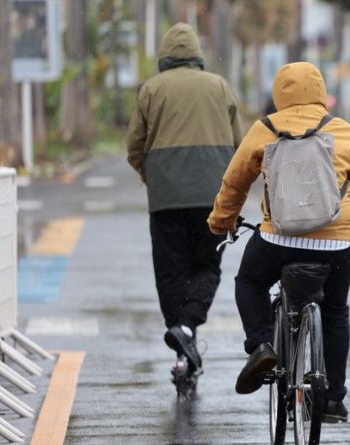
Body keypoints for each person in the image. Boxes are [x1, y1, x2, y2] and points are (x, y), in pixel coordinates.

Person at [208, 62, 350, 423]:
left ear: (279, 92)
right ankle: (333, 398)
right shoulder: (343, 131)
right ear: (320, 91)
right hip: (336, 246)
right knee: (335, 311)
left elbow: (235, 181)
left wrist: (221, 221)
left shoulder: (265, 130)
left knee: (250, 282)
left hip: (278, 240)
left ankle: (260, 346)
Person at [126, 23, 241, 375]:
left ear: (164, 55)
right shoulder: (219, 87)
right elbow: (240, 147)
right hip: (212, 196)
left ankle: (182, 340)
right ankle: (188, 328)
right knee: (207, 264)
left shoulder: (151, 90)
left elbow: (134, 147)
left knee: (171, 271)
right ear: (196, 54)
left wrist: (155, 177)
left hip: (166, 199)